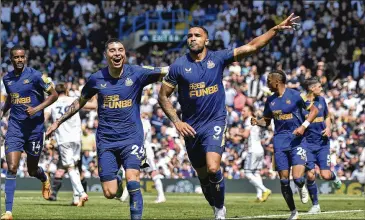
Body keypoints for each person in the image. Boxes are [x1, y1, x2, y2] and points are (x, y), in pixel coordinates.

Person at [158, 13, 300, 219]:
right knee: (204, 177)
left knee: (214, 168)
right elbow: (163, 96)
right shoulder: (178, 66)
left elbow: (251, 46)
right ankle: (215, 204)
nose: (192, 38)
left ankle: (220, 211)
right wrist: (177, 122)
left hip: (215, 122)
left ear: (206, 40)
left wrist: (275, 30)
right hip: (190, 127)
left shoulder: (217, 58)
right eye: (189, 35)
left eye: (197, 35)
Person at [46, 38, 168, 220]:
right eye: (112, 50)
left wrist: (193, 65)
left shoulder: (137, 73)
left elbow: (167, 71)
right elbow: (80, 102)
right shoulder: (96, 78)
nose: (117, 53)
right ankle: (117, 181)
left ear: (125, 54)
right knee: (110, 193)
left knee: (133, 179)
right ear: (106, 55)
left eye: (120, 50)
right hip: (106, 141)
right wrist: (58, 122)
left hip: (132, 137)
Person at [251, 69, 319, 220]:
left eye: (269, 81)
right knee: (283, 181)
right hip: (279, 142)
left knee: (297, 178)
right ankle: (294, 212)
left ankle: (302, 186)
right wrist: (257, 121)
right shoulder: (270, 100)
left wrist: (304, 126)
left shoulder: (296, 95)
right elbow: (266, 121)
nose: (267, 84)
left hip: (297, 141)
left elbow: (314, 110)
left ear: (277, 81)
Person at [0, 45, 59, 220]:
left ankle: (44, 178)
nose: (19, 60)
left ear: (25, 58)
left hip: (35, 130)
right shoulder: (7, 79)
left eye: (22, 57)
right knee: (11, 168)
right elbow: (12, 96)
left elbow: (54, 95)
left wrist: (37, 108)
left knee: (32, 170)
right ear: (11, 59)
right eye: (16, 57)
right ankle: (8, 212)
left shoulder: (35, 76)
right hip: (15, 129)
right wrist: (3, 111)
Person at [44, 83, 96, 206]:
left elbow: (44, 118)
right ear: (66, 91)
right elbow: (94, 106)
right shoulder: (74, 100)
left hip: (64, 139)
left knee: (70, 167)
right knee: (75, 166)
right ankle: (76, 198)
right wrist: (94, 92)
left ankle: (82, 193)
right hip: (77, 138)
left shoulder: (52, 103)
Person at [302, 77, 342, 214]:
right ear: (311, 88)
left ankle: (334, 177)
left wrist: (329, 127)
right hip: (307, 144)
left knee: (325, 175)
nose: (321, 88)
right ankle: (315, 205)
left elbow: (327, 116)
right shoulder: (301, 103)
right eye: (319, 86)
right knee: (311, 175)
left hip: (323, 144)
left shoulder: (322, 100)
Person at [119, 112, 166, 203]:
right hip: (138, 149)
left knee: (152, 172)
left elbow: (142, 137)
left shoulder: (144, 123)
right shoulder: (141, 122)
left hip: (145, 151)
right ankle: (124, 196)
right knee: (133, 172)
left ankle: (161, 196)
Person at [240, 106, 271, 202]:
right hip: (260, 150)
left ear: (249, 112)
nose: (242, 112)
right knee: (256, 173)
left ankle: (265, 190)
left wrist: (237, 132)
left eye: (244, 110)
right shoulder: (256, 121)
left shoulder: (249, 120)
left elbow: (245, 134)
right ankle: (259, 196)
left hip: (252, 149)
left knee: (248, 173)